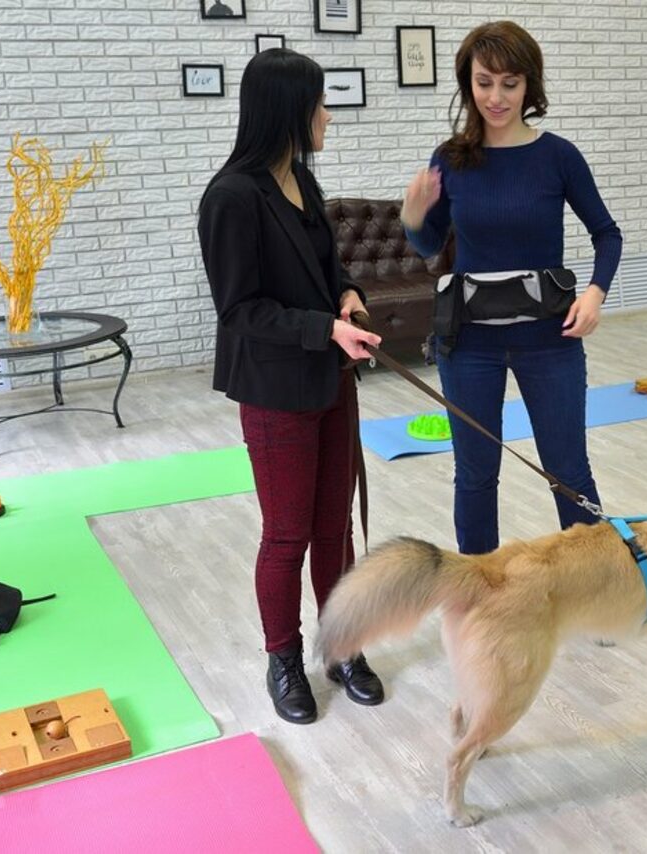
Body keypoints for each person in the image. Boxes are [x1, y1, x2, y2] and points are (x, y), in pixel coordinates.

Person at [197, 48, 384, 725]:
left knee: (335, 530)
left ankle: (341, 646)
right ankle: (284, 657)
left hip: (328, 379)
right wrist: (323, 329)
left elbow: (329, 270)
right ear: (288, 112)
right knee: (288, 535)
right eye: (319, 103)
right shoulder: (230, 197)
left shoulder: (301, 180)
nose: (328, 115)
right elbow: (240, 310)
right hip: (275, 390)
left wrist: (351, 296)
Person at [401, 21, 623, 555]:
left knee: (567, 470)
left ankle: (592, 591)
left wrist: (594, 293)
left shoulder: (558, 156)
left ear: (529, 86)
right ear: (467, 84)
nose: (495, 97)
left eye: (509, 83)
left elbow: (607, 234)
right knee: (475, 475)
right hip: (469, 345)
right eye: (483, 82)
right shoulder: (450, 158)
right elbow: (429, 245)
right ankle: (479, 598)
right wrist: (413, 219)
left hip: (550, 341)